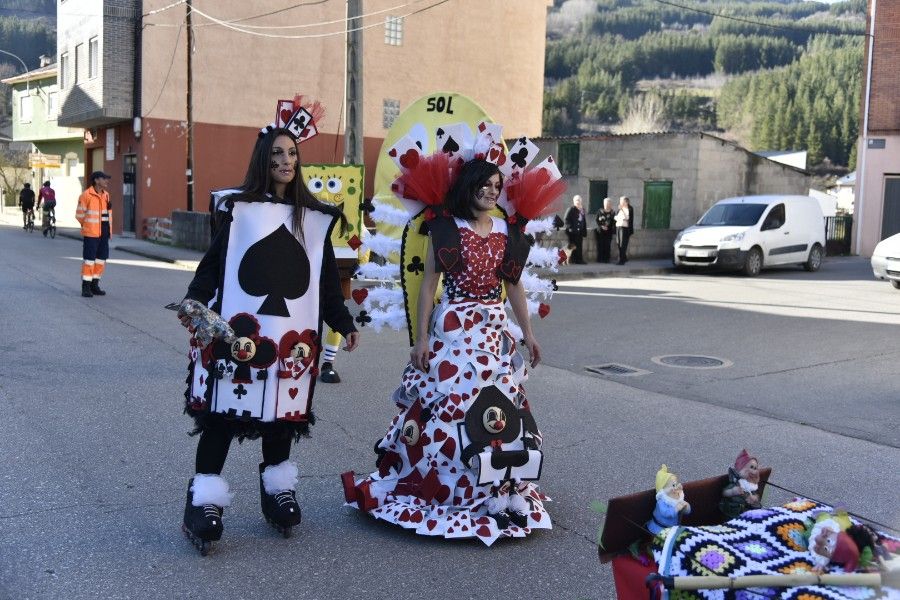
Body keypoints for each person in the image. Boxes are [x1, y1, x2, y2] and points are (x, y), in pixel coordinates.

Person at [343, 158, 552, 546]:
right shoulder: (446, 228)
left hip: (493, 332)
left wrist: (528, 334)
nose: (491, 191)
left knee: (500, 407)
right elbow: (429, 285)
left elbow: (513, 286)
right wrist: (421, 338)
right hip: (454, 330)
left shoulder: (507, 231)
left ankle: (499, 488)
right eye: (484, 184)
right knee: (450, 406)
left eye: (497, 185)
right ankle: (452, 489)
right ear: (468, 186)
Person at [176, 115, 360, 554]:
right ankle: (203, 501)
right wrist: (194, 302)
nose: (286, 160)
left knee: (282, 419)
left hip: (292, 339)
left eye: (292, 153)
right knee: (221, 418)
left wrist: (343, 321)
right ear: (263, 158)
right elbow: (212, 266)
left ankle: (277, 492)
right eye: (277, 152)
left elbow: (324, 282)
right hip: (239, 335)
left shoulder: (313, 220)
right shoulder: (239, 211)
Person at [75, 172, 112, 297]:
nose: (106, 181)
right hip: (91, 233)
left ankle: (95, 285)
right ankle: (86, 287)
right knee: (89, 260)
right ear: (96, 180)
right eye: (104, 178)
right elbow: (79, 215)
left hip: (104, 233)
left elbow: (107, 215)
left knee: (101, 260)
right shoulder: (86, 195)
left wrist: (108, 231)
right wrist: (88, 227)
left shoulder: (106, 195)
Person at [564, 194, 587, 264]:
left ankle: (579, 260)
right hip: (572, 232)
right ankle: (574, 260)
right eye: (577, 200)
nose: (578, 202)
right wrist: (570, 228)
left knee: (579, 246)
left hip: (580, 232)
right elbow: (566, 219)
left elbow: (583, 220)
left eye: (579, 200)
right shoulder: (571, 209)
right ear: (574, 201)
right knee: (573, 246)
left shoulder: (582, 210)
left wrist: (584, 231)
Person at [594, 197, 615, 263]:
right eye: (606, 203)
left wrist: (609, 227)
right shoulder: (600, 211)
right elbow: (597, 220)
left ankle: (607, 259)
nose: (607, 205)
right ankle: (600, 259)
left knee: (607, 245)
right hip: (600, 231)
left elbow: (614, 222)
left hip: (609, 231)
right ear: (603, 204)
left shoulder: (612, 212)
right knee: (600, 245)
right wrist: (601, 226)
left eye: (608, 203)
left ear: (610, 204)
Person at [615, 195, 634, 265]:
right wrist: (619, 217)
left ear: (626, 202)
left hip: (625, 228)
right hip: (618, 227)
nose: (620, 202)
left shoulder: (629, 208)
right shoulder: (620, 209)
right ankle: (624, 257)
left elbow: (627, 218)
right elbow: (616, 217)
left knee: (623, 244)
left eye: (621, 201)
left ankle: (621, 260)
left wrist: (622, 211)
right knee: (618, 243)